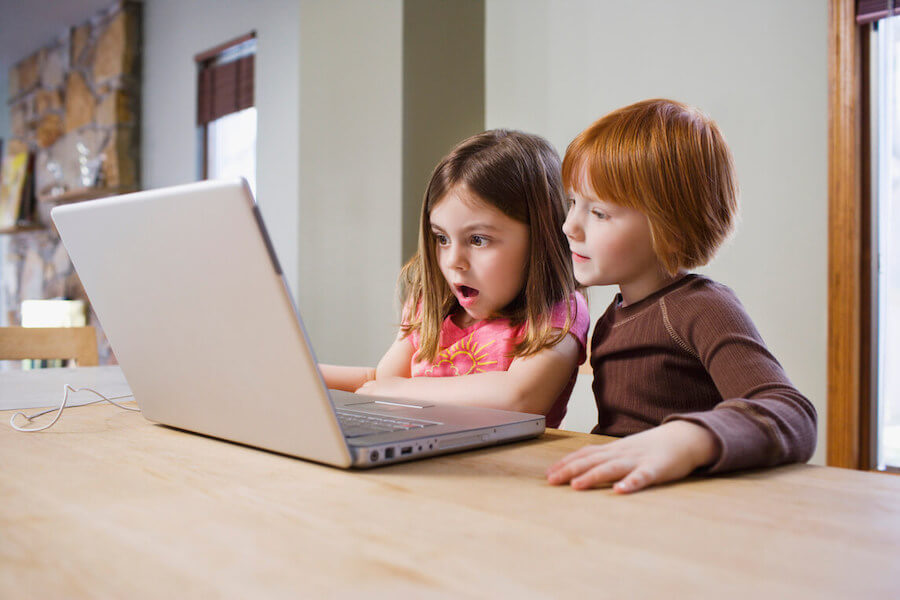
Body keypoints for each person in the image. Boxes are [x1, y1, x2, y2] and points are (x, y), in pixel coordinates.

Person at [546, 99, 817, 492]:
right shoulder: (613, 316)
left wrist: (687, 440)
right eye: (573, 203)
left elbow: (790, 413)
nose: (570, 225)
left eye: (599, 213)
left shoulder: (702, 307)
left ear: (669, 222)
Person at [321, 130, 590, 427]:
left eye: (477, 239)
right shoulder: (433, 303)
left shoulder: (559, 311)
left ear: (541, 237)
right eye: (442, 238)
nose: (453, 262)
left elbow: (520, 398)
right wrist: (301, 372)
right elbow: (383, 381)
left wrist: (400, 390)